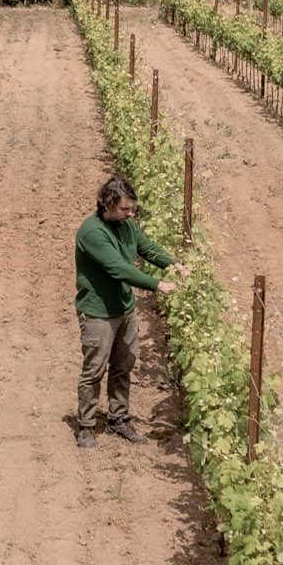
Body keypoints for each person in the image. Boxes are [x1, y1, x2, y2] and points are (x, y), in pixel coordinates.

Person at [73, 175, 188, 448]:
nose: (130, 213)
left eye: (132, 208)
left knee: (123, 366)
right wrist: (158, 285)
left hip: (124, 308)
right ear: (106, 204)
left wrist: (175, 265)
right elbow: (118, 269)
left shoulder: (126, 226)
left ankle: (118, 420)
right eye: (125, 209)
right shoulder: (92, 233)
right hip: (99, 312)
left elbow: (146, 249)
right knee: (94, 370)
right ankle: (86, 426)